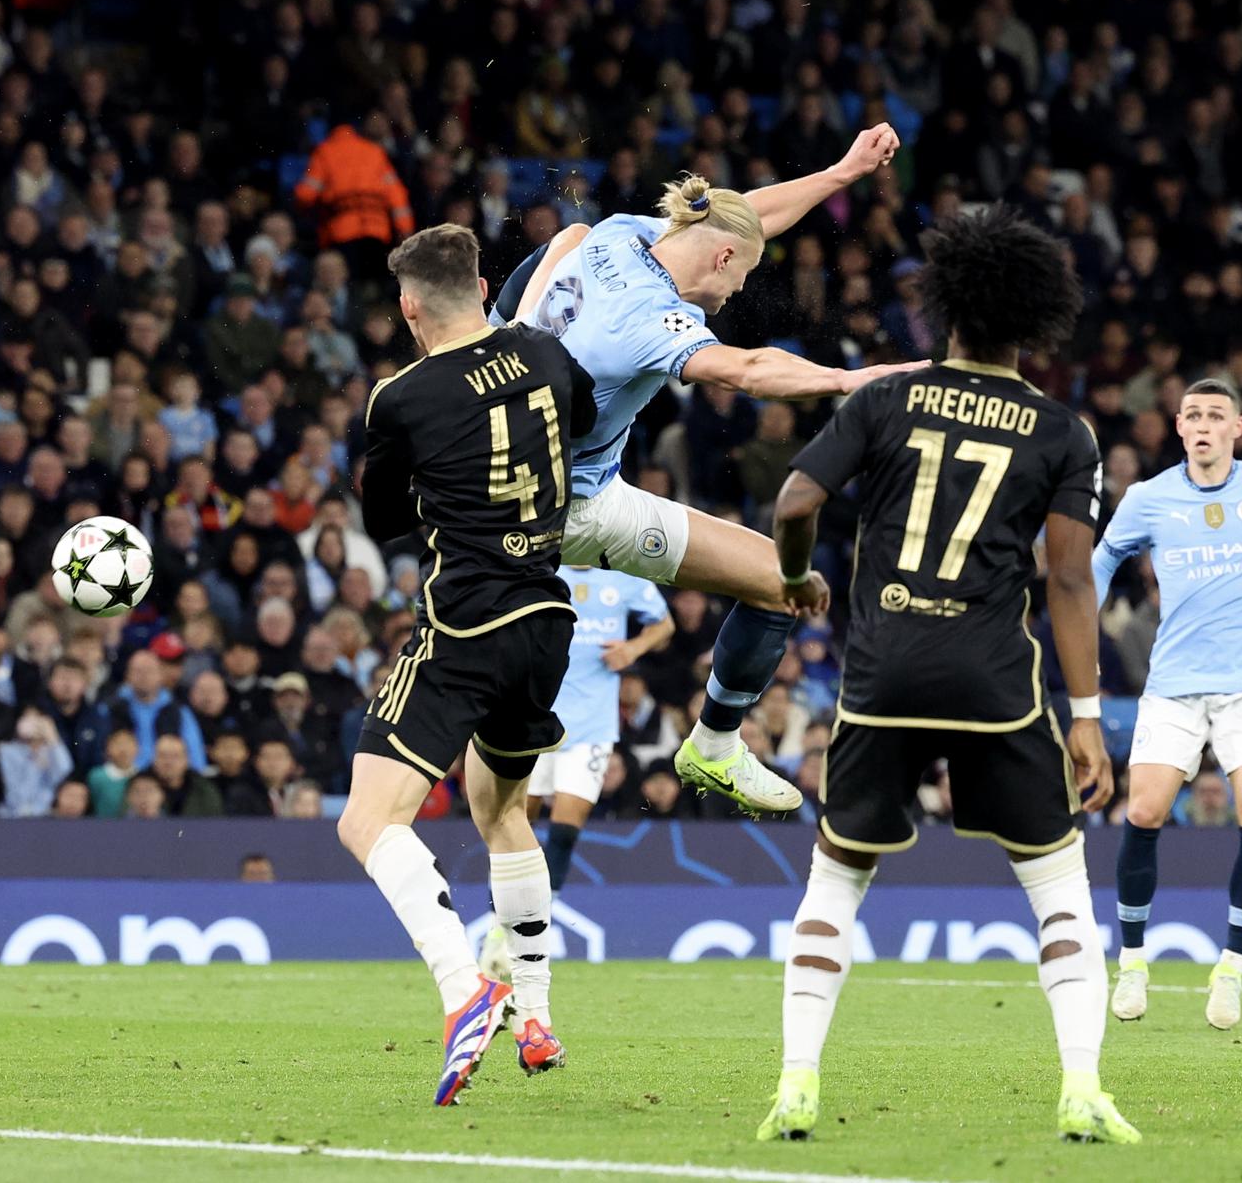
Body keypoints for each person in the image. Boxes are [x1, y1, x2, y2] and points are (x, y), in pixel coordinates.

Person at [754, 208, 1137, 1145]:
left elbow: (796, 497)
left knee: (837, 879)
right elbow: (1072, 577)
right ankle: (1082, 1088)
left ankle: (797, 1082)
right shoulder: (1063, 431)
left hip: (883, 673)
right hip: (994, 683)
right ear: (1034, 321)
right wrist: (1085, 717)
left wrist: (798, 573)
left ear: (946, 309)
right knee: (1057, 888)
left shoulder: (885, 400)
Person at [496, 130, 924, 814]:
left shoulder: (621, 233)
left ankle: (714, 749)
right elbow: (749, 369)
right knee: (787, 583)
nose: (735, 291)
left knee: (776, 581)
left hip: (513, 473)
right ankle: (716, 738)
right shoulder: (653, 317)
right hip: (558, 509)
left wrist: (842, 173)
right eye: (742, 275)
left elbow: (743, 216)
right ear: (722, 258)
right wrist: (854, 378)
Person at [335, 223, 595, 1107]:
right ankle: (534, 1016)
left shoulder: (400, 397)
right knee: (502, 807)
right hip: (546, 622)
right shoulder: (548, 356)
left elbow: (381, 523)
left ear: (411, 310)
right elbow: (585, 420)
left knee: (369, 822)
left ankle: (464, 991)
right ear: (483, 285)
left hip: (466, 622)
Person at [1092, 379, 1242, 1031]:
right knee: (1145, 809)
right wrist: (1076, 629)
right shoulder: (1150, 498)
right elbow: (1102, 561)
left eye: (1217, 416)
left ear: (1238, 427)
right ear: (1179, 427)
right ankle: (1133, 962)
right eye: (1194, 415)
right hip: (1174, 681)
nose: (1204, 425)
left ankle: (1230, 971)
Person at [487, 565, 670, 960]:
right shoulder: (543, 569)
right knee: (518, 822)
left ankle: (535, 924)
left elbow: (664, 624)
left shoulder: (623, 578)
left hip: (592, 728)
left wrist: (633, 649)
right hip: (536, 719)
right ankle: (498, 920)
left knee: (565, 831)